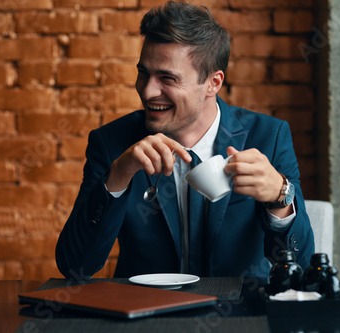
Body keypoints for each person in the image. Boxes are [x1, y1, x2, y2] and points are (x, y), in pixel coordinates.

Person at [56, 1, 314, 280]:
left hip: (239, 316)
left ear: (213, 83)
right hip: (148, 316)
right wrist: (117, 177)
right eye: (144, 73)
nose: (147, 90)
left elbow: (301, 265)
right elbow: (74, 266)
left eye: (167, 78)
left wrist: (280, 198)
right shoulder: (112, 144)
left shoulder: (268, 136)